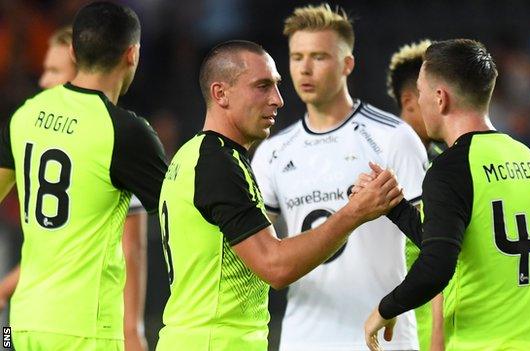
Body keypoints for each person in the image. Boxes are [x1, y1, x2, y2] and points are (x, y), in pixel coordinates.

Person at [155, 40, 403, 351]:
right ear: (221, 94)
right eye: (262, 86)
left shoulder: (190, 156)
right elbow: (275, 266)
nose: (278, 100)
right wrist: (354, 213)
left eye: (276, 86)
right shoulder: (218, 165)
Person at [362, 39, 530, 351]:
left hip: (485, 344)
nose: (418, 99)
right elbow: (456, 243)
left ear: (440, 98)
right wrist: (396, 207)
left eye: (421, 90)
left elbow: (437, 267)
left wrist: (385, 309)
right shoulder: (523, 155)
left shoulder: (451, 167)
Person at [251, 4, 428, 351]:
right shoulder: (273, 153)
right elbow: (262, 258)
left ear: (347, 64)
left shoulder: (394, 137)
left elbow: (433, 245)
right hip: (303, 339)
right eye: (297, 56)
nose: (305, 68)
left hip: (384, 339)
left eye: (319, 57)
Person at [0, 2, 167, 349]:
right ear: (132, 54)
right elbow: (176, 219)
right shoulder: (126, 133)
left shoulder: (25, 116)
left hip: (20, 325)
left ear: (74, 50)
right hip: (85, 330)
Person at [386, 40, 445, 351]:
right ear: (410, 101)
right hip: (410, 328)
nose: (446, 103)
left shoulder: (442, 160)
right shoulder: (385, 160)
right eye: (435, 95)